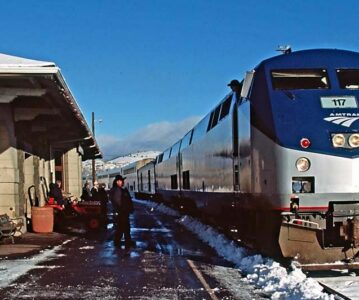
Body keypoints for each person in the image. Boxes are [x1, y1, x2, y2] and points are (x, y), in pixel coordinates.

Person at [109, 175, 134, 249]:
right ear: (117, 182)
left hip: (122, 212)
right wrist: (123, 209)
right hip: (122, 212)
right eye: (121, 181)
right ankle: (124, 242)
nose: (122, 182)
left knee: (122, 227)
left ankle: (123, 241)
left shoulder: (118, 189)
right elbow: (118, 201)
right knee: (124, 227)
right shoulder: (117, 190)